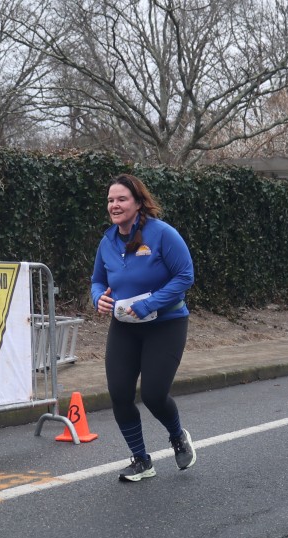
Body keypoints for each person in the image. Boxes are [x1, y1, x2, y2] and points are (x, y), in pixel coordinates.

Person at [91, 173, 196, 482]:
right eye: (110, 200)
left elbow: (185, 276)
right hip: (125, 326)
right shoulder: (107, 241)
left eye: (121, 199)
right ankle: (141, 460)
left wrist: (150, 304)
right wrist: (98, 298)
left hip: (166, 324)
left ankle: (177, 436)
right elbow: (97, 280)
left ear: (138, 203)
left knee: (153, 394)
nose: (114, 205)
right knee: (119, 394)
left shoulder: (162, 234)